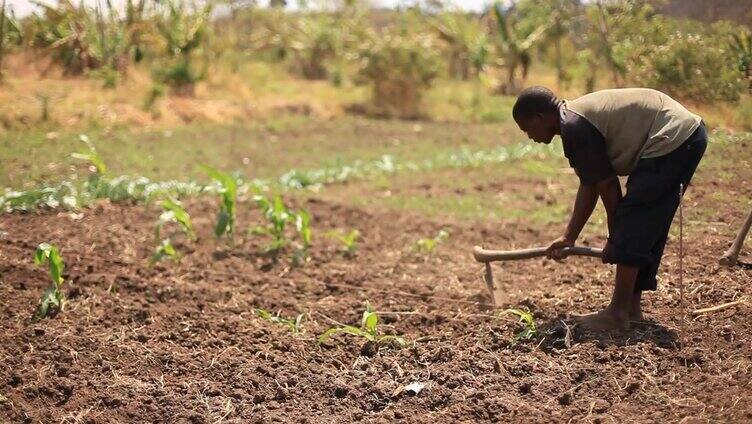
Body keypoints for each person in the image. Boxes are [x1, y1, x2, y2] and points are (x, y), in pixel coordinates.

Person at [512, 86, 707, 330]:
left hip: (671, 138)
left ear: (539, 118)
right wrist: (568, 237)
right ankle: (631, 310)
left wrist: (617, 239)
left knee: (635, 219)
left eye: (527, 129)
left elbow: (608, 186)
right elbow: (590, 184)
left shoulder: (573, 125)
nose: (529, 136)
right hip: (686, 136)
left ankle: (617, 313)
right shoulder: (574, 121)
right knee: (647, 225)